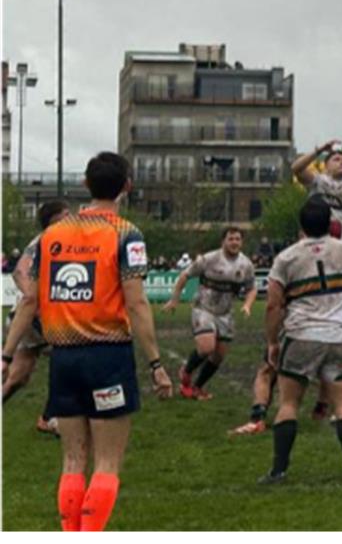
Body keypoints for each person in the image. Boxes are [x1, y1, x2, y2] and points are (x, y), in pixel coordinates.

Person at [30, 153, 173, 530]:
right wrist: (156, 364)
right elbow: (136, 301)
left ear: (85, 183)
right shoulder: (126, 233)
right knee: (107, 462)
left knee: (73, 461)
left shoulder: (52, 234)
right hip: (107, 355)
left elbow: (31, 287)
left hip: (63, 357)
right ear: (127, 185)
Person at [260, 196, 342, 485]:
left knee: (288, 403)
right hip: (339, 336)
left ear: (301, 225)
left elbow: (273, 305)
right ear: (330, 223)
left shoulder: (286, 257)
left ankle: (278, 471)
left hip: (300, 337)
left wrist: (272, 342)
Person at [2, 200, 70, 436]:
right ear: (53, 220)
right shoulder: (44, 240)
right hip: (32, 319)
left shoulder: (64, 240)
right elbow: (19, 271)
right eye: (66, 214)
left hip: (37, 317)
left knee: (19, 377)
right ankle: (50, 417)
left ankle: (48, 416)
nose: (71, 218)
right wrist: (32, 296)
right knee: (68, 357)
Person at [162, 226, 255, 400]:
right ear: (223, 241)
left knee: (218, 356)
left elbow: (251, 289)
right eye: (231, 239)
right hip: (203, 308)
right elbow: (185, 275)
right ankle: (187, 371)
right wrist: (175, 299)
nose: (234, 242)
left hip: (226, 313)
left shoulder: (246, 264)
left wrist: (248, 305)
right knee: (206, 348)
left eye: (238, 239)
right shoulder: (209, 259)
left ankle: (197, 387)